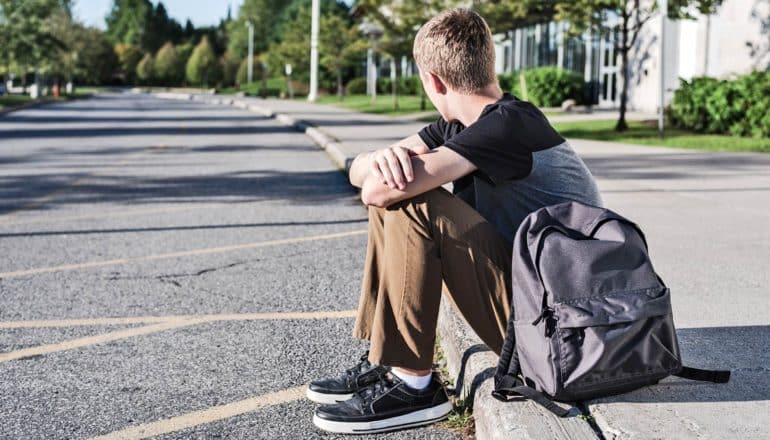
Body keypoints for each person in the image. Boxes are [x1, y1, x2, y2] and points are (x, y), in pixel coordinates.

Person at [308, 8, 603, 434]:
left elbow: (377, 190)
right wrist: (377, 158)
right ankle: (385, 359)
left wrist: (383, 170)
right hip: (544, 313)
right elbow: (360, 172)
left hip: (561, 332)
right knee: (399, 190)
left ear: (433, 81)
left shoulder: (507, 127)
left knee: (413, 202)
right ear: (489, 63)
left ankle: (413, 384)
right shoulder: (465, 125)